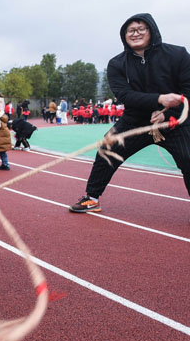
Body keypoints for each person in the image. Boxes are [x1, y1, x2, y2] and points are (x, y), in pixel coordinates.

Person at [70, 13, 190, 213]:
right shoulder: (117, 63)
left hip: (174, 121)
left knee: (188, 159)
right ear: (124, 35)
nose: (136, 34)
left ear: (151, 30)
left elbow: (188, 89)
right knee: (107, 151)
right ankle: (91, 198)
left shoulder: (177, 55)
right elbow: (124, 95)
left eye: (141, 29)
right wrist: (158, 100)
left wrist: (168, 111)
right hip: (136, 121)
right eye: (130, 30)